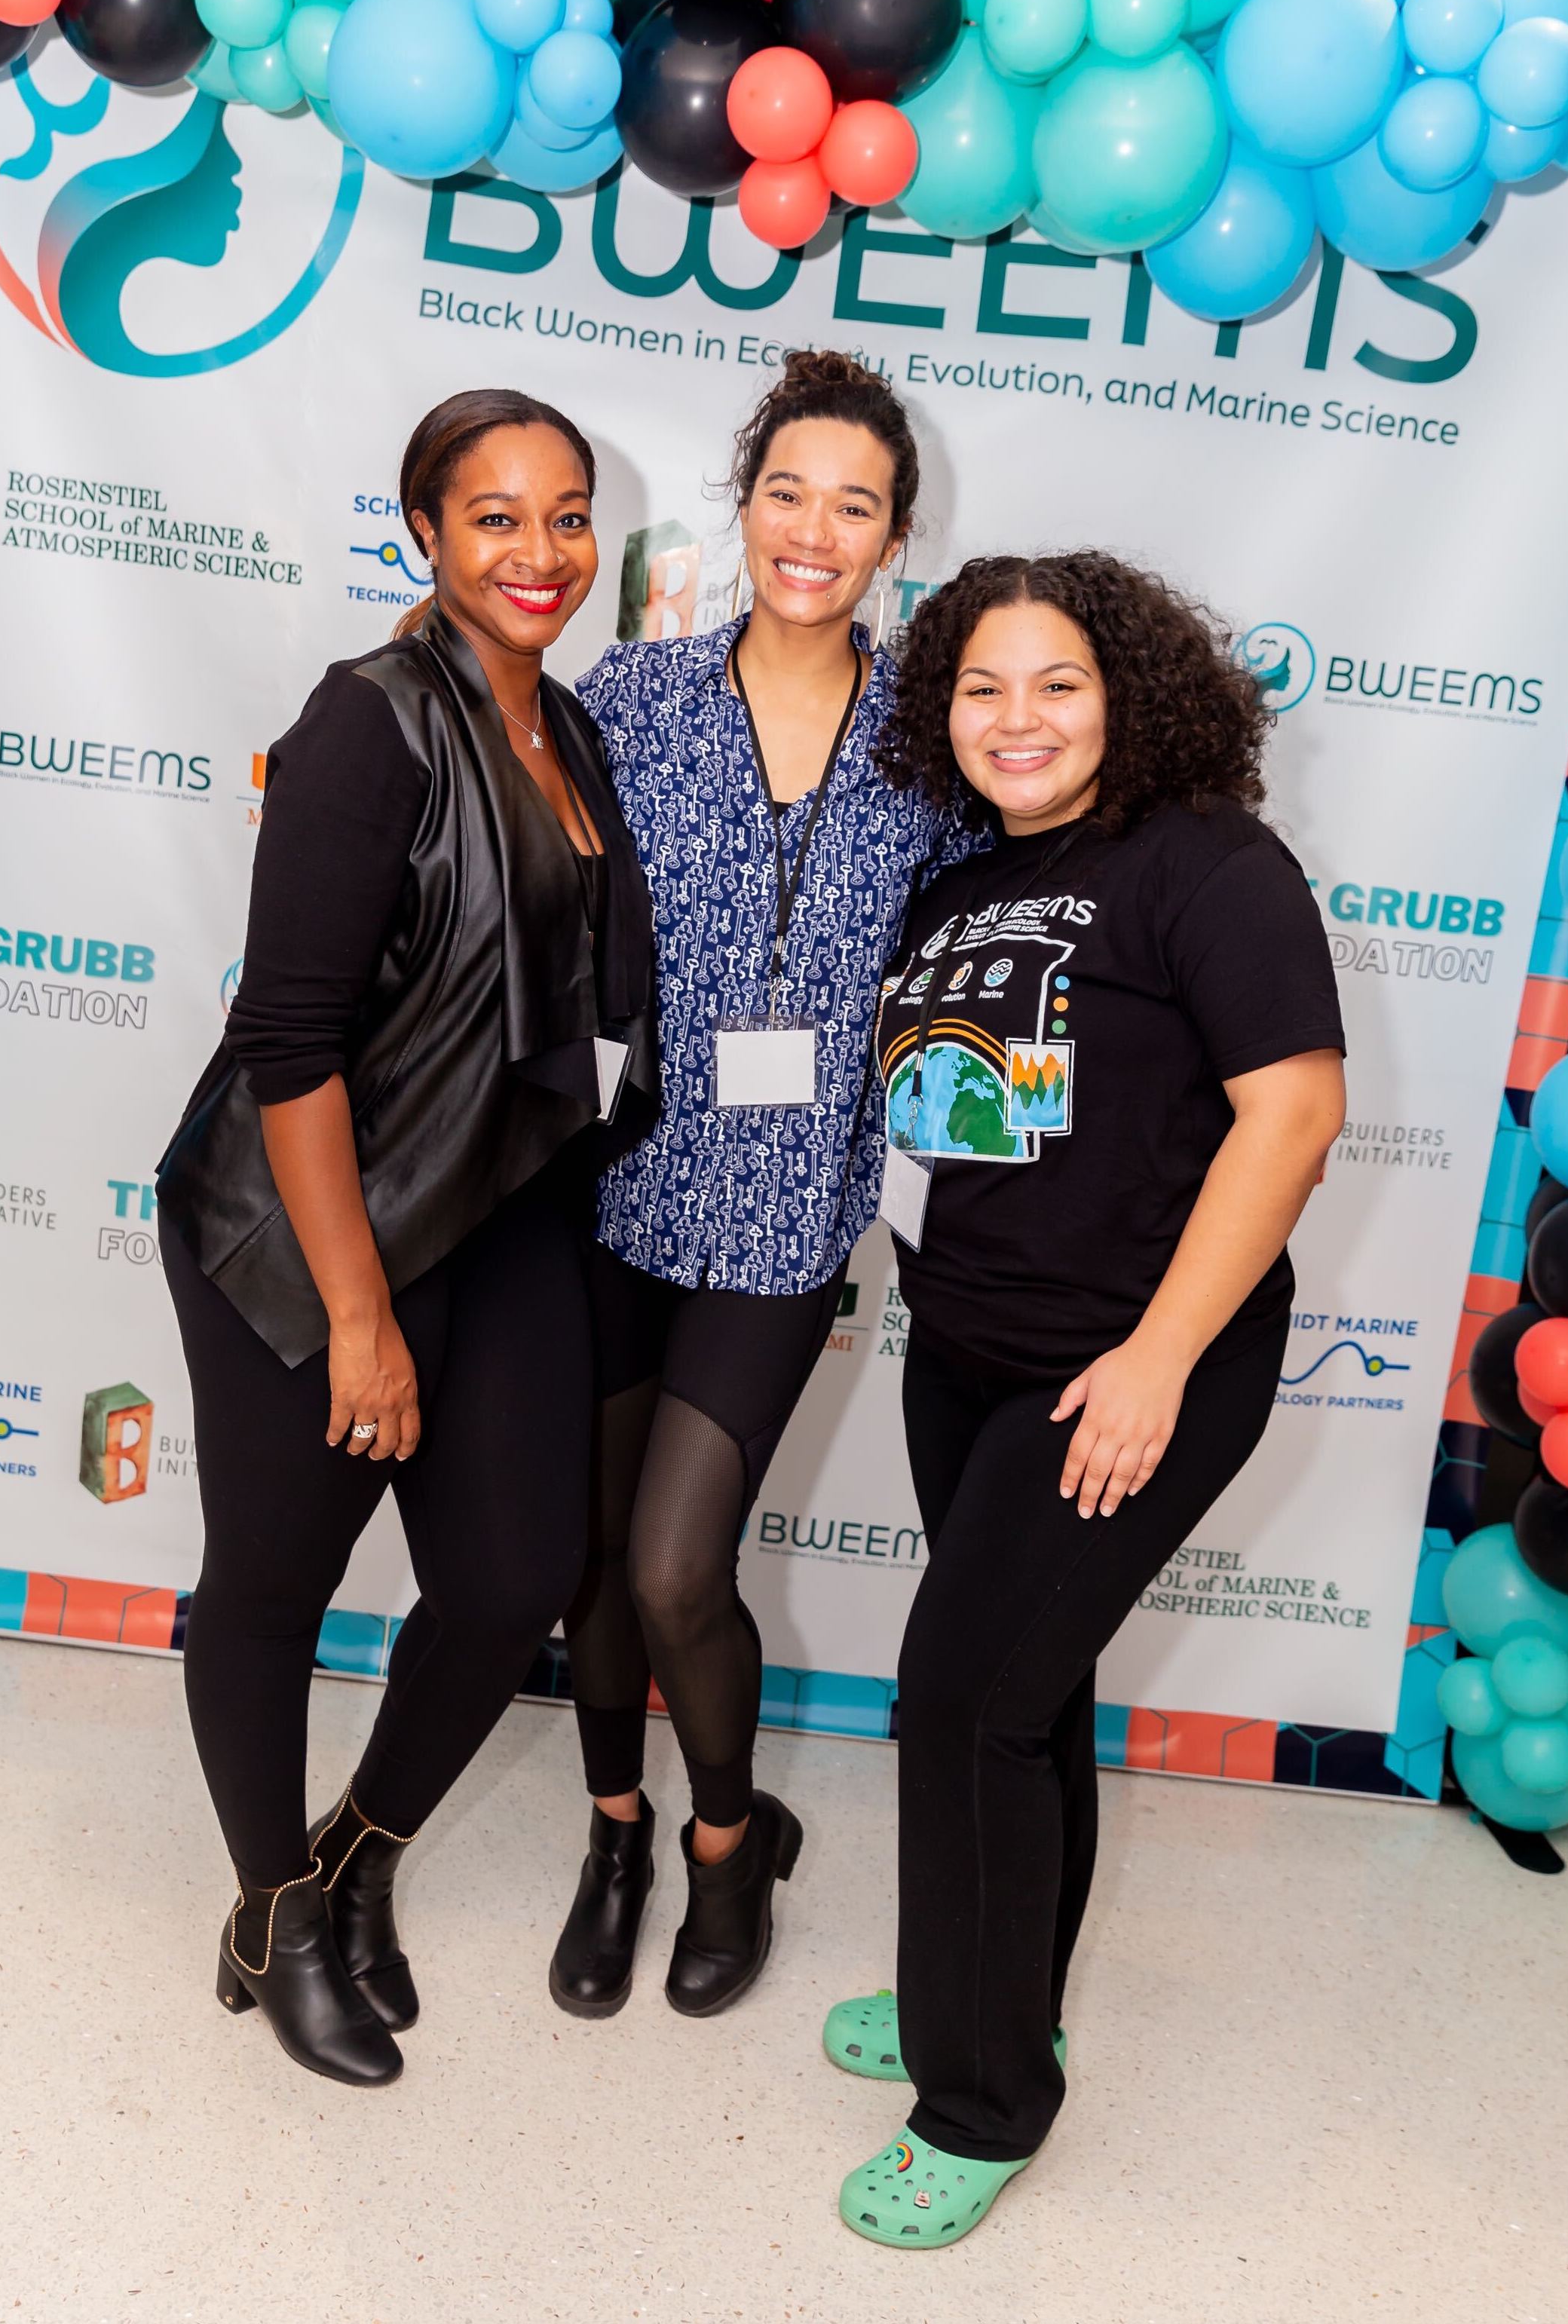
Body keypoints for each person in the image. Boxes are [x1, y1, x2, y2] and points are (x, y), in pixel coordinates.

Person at [824, 552, 1346, 2245]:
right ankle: (991, 1989)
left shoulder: (1209, 864)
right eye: (983, 687)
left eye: (1057, 682)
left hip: (1129, 1364)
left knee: (960, 1703)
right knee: (1021, 1700)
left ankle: (981, 2098)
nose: (1017, 718)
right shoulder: (960, 885)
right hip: (969, 1350)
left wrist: (1153, 1361)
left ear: (1126, 693)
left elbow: (1291, 1118)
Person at [155, 389, 654, 2088]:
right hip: (301, 1225)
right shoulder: (370, 722)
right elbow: (290, 1042)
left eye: (568, 513)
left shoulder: (565, 729)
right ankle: (273, 1914)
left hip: (491, 1204)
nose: (540, 551)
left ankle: (359, 1856)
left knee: (515, 1576)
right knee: (275, 1584)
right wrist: (360, 1317)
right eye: (496, 516)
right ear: (425, 534)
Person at [549, 351, 983, 2022]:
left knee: (674, 1566)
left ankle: (731, 1842)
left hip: (790, 1218)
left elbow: (982, 962)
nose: (815, 529)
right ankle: (613, 1834)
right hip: (616, 1185)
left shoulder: (936, 738)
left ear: (895, 537)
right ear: (747, 506)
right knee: (592, 1559)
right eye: (788, 492)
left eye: (854, 505)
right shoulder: (637, 697)